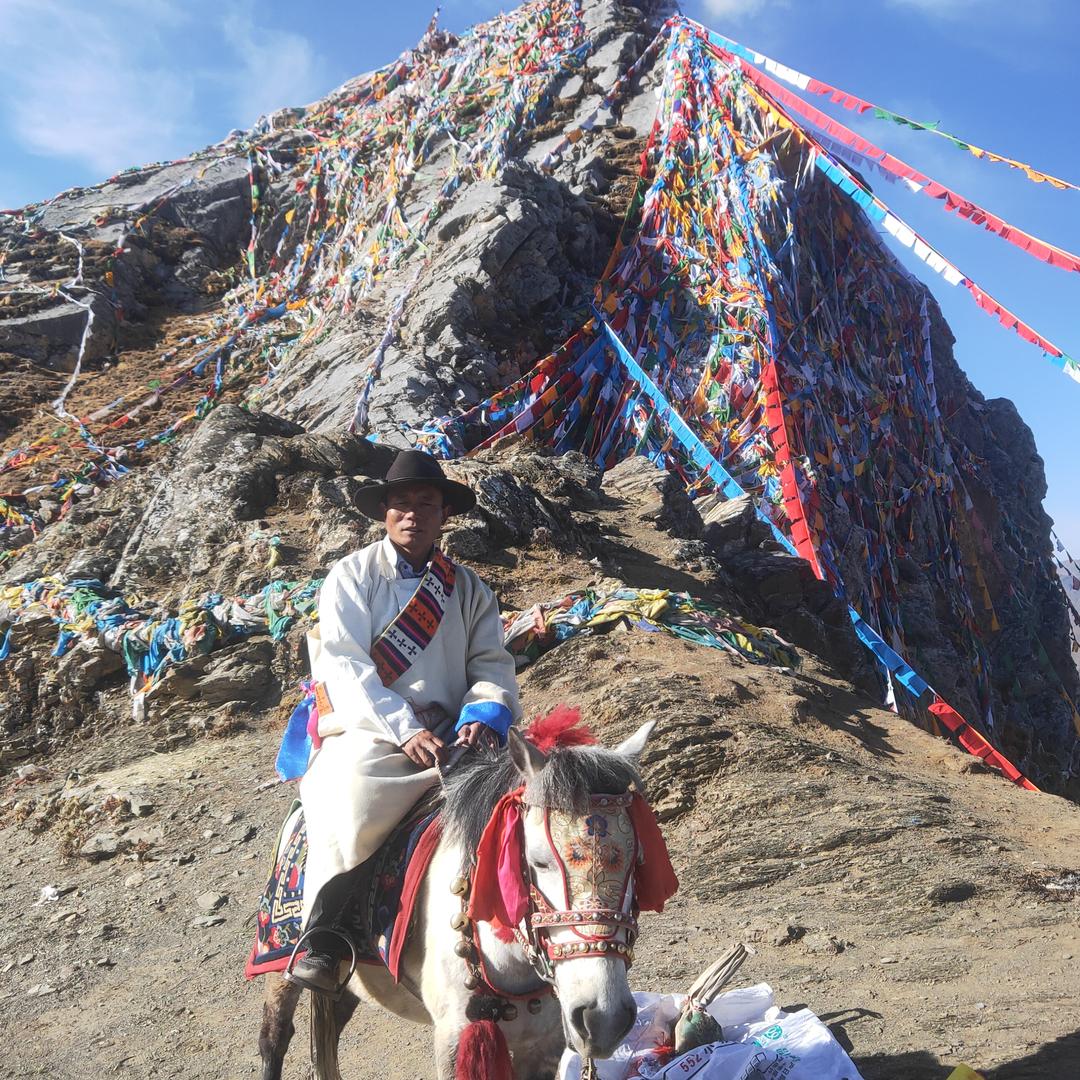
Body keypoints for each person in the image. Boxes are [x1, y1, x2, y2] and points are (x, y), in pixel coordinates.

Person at [288, 450, 521, 994]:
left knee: (529, 793)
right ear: (385, 513)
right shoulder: (351, 576)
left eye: (425, 503)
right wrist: (404, 727)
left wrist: (482, 715)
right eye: (401, 504)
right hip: (372, 729)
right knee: (353, 795)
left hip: (454, 733)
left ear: (443, 514)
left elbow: (491, 663)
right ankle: (329, 931)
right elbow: (345, 665)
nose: (412, 514)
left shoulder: (468, 589)